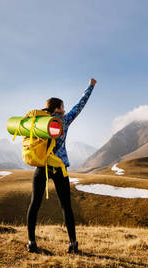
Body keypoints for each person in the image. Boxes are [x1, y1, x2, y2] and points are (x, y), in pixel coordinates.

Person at [26, 78, 97, 254]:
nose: (64, 110)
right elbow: (80, 105)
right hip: (59, 168)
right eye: (62, 107)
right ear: (57, 108)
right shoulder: (63, 121)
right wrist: (91, 86)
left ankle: (31, 242)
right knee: (66, 206)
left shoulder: (40, 122)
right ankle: (73, 244)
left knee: (34, 204)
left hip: (42, 165)